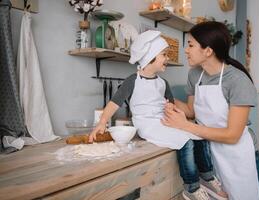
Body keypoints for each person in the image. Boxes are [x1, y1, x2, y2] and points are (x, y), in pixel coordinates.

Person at [89, 30, 226, 200]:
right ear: (150, 57)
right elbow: (114, 102)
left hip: (163, 120)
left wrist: (171, 110)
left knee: (200, 135)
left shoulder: (163, 83)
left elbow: (170, 105)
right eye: (164, 55)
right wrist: (102, 122)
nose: (167, 58)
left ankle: (207, 176)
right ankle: (191, 186)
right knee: (186, 141)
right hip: (146, 124)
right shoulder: (133, 80)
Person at [162, 21, 259, 200]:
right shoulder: (194, 75)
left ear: (208, 51)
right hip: (207, 154)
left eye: (191, 45)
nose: (186, 50)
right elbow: (192, 111)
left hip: (235, 157)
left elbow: (233, 135)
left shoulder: (238, 81)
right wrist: (164, 97)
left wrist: (185, 126)